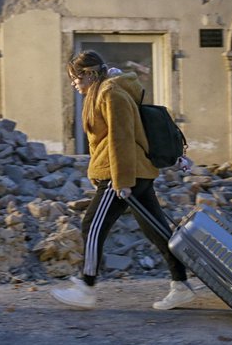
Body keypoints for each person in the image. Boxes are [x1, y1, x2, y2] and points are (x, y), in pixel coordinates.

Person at [50, 50, 195, 311]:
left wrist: (121, 181)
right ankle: (181, 285)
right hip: (132, 172)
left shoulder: (110, 93)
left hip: (122, 173)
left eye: (75, 77)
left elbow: (121, 139)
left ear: (89, 74)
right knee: (157, 230)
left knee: (91, 225)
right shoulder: (103, 93)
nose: (73, 83)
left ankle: (87, 287)